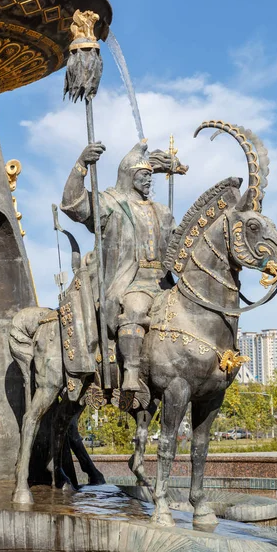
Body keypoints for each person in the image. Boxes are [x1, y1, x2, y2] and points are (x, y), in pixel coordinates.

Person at [61, 140, 186, 392]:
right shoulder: (112, 203)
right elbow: (74, 204)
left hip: (163, 282)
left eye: (151, 176)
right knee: (135, 307)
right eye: (143, 175)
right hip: (130, 281)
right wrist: (81, 165)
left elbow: (179, 245)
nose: (149, 180)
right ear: (129, 176)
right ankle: (131, 372)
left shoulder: (162, 211)